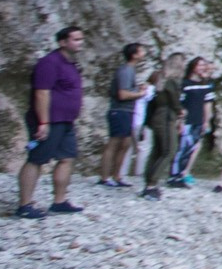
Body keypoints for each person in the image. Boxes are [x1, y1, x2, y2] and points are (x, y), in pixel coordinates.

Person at [18, 24, 87, 218]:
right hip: (50, 121)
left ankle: (59, 201)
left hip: (66, 121)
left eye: (81, 39)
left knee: (67, 158)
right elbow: (42, 93)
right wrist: (43, 122)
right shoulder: (49, 63)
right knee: (36, 159)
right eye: (76, 39)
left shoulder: (71, 64)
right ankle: (24, 205)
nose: (80, 43)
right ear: (63, 42)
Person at [97, 44, 149, 189]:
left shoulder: (130, 70)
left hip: (126, 111)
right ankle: (104, 177)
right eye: (141, 51)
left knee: (125, 144)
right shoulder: (126, 70)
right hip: (119, 111)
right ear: (134, 55)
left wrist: (137, 88)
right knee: (114, 143)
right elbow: (123, 94)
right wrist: (140, 94)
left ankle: (117, 176)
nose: (144, 53)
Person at [138, 54, 187, 201]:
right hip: (166, 117)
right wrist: (180, 111)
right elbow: (174, 101)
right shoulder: (171, 82)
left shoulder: (161, 79)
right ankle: (152, 184)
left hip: (158, 116)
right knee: (169, 150)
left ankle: (149, 180)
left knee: (158, 150)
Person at [169, 57, 217, 185]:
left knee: (191, 148)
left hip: (198, 121)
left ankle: (181, 174)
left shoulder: (206, 85)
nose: (203, 67)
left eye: (204, 65)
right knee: (182, 148)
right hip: (187, 121)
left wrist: (206, 121)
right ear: (193, 67)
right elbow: (180, 104)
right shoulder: (185, 84)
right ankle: (173, 175)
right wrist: (180, 121)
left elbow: (207, 105)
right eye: (200, 65)